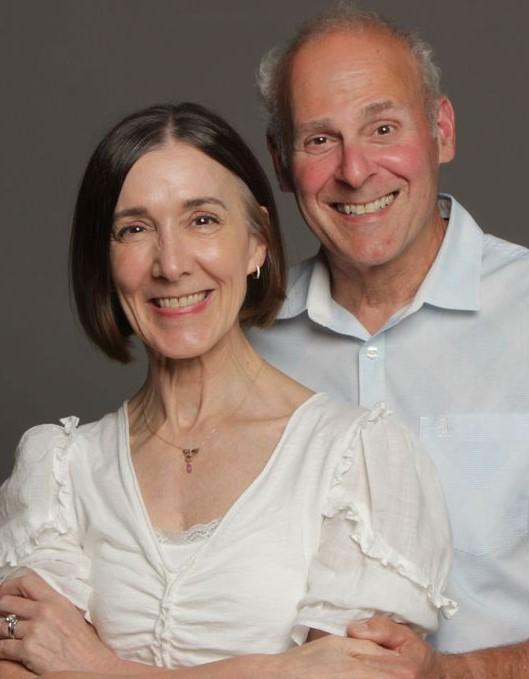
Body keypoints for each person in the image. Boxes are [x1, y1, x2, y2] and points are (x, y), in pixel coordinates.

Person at [0, 102, 453, 678]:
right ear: (104, 261)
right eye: (135, 229)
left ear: (257, 242)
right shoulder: (59, 469)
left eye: (203, 220)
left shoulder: (357, 458)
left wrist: (97, 669)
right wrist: (281, 670)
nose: (170, 263)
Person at [248, 3, 529, 678]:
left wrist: (455, 673)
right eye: (319, 140)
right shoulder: (247, 347)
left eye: (381, 127)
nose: (354, 170)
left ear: (440, 131)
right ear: (281, 164)